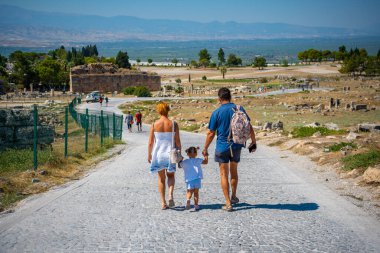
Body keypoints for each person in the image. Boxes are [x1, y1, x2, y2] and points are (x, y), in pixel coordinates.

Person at [202, 87, 257, 212]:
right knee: (234, 171)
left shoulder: (217, 112)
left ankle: (228, 203)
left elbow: (211, 133)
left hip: (222, 146)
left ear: (219, 99)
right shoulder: (239, 109)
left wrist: (205, 148)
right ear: (230, 97)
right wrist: (253, 141)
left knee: (223, 174)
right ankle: (233, 196)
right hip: (237, 145)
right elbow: (249, 126)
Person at [148, 102, 181, 210]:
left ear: (159, 111)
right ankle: (170, 195)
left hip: (158, 155)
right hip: (170, 154)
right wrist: (179, 153)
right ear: (168, 110)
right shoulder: (173, 124)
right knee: (171, 176)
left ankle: (163, 203)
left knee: (161, 179)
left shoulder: (154, 124)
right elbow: (178, 142)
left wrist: (149, 155)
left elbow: (150, 142)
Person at [179, 146, 208, 211]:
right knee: (196, 193)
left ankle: (188, 200)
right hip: (197, 179)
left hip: (189, 180)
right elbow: (205, 162)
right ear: (196, 154)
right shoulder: (198, 160)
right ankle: (196, 205)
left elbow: (179, 166)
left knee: (189, 191)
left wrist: (181, 159)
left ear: (187, 154)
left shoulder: (185, 162)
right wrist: (206, 155)